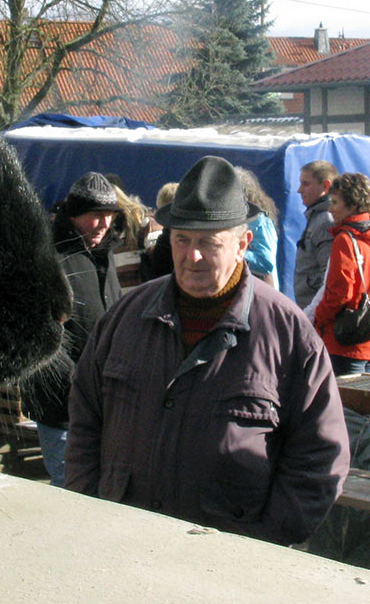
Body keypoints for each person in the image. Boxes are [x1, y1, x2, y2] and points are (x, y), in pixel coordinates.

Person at [64, 156, 350, 546]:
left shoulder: (288, 333)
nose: (192, 256)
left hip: (229, 564)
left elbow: (320, 455)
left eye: (208, 243)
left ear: (243, 244)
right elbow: (84, 419)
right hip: (122, 546)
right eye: (182, 239)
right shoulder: (126, 318)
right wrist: (89, 504)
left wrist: (265, 541)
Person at [22, 171, 122, 487]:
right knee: (71, 489)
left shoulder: (103, 256)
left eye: (109, 215)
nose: (103, 224)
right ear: (74, 214)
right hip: (60, 406)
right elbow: (37, 336)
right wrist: (79, 385)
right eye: (95, 215)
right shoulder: (50, 257)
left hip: (100, 406)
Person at [312, 173, 370, 376]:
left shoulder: (345, 240)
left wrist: (318, 319)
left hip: (345, 341)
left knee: (343, 404)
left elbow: (338, 293)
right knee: (368, 404)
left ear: (352, 205)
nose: (330, 209)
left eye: (335, 202)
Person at [294, 160, 338, 308]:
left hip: (316, 311)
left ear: (325, 186)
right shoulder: (315, 217)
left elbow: (329, 275)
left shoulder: (326, 221)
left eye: (306, 184)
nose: (300, 190)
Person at [234, 166, 280, 290]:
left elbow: (265, 262)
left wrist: (232, 251)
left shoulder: (260, 220)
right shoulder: (238, 218)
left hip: (260, 293)